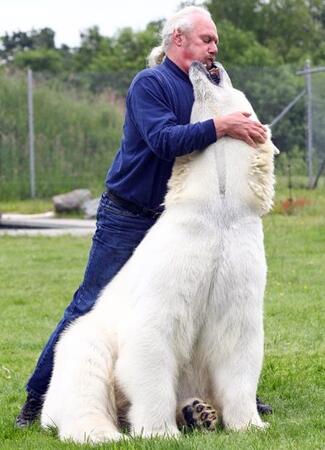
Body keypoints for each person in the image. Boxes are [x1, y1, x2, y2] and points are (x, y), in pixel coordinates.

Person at [16, 6, 272, 428]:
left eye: (215, 43)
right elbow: (163, 140)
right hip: (130, 214)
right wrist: (221, 126)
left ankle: (232, 396)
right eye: (207, 40)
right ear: (178, 39)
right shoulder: (149, 84)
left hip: (179, 219)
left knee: (206, 305)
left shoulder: (203, 87)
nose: (214, 49)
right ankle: (40, 397)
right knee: (92, 303)